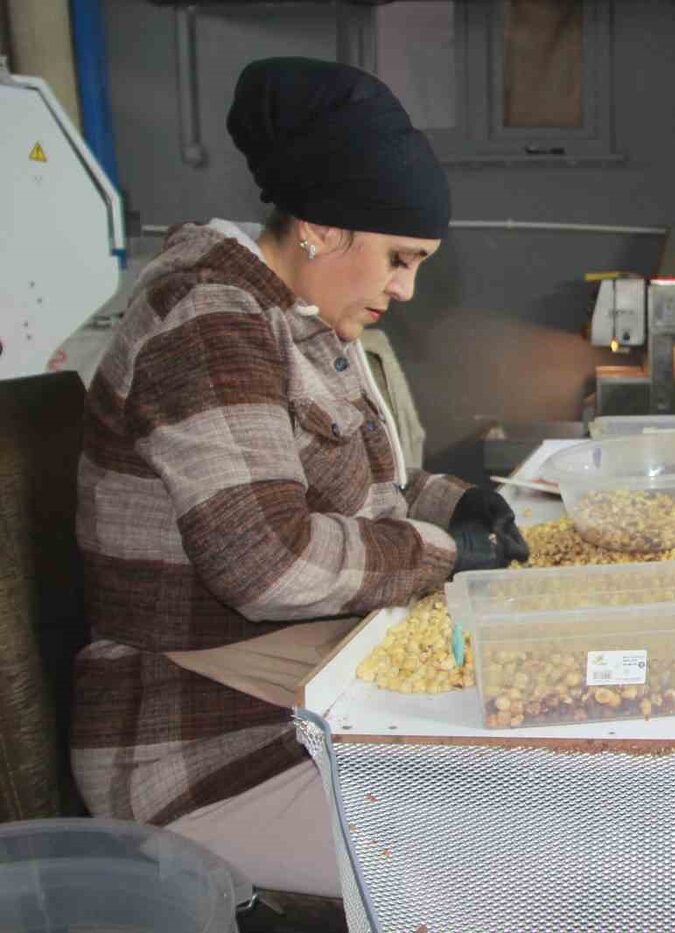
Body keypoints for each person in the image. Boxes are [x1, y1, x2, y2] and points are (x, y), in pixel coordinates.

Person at [70, 57, 527, 897]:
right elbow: (266, 562)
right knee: (496, 863)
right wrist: (442, 554)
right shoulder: (208, 320)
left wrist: (461, 500)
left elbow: (350, 490)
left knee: (530, 779)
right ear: (323, 225)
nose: (407, 287)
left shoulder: (297, 324)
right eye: (399, 258)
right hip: (199, 752)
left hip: (298, 698)